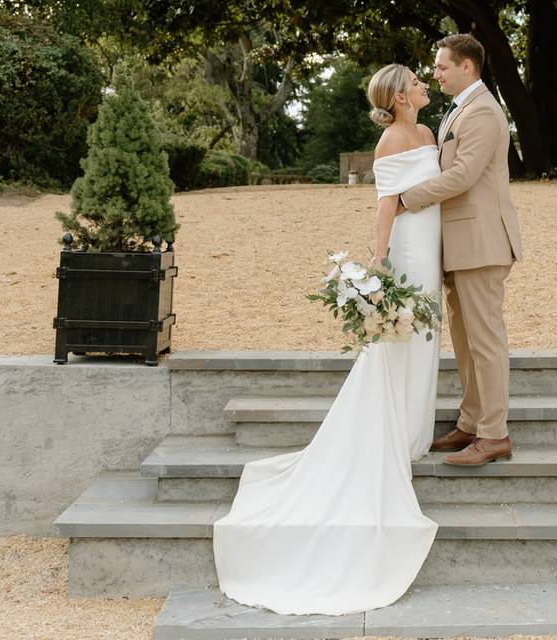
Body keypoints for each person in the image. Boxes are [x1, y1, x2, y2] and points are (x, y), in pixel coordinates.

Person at [212, 63, 441, 616]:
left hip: (432, 243)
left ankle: (414, 429)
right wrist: (380, 263)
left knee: (426, 337)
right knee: (399, 338)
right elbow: (386, 204)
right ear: (399, 95)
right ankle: (392, 434)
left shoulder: (431, 134)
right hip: (407, 246)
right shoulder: (390, 139)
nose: (423, 85)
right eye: (416, 80)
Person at [398, 34, 522, 466]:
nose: (435, 74)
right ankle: (471, 422)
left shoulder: (484, 111)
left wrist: (407, 198)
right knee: (467, 343)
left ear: (466, 67)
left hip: (483, 243)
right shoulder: (462, 109)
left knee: (486, 342)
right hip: (460, 245)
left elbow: (464, 176)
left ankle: (494, 434)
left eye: (441, 67)